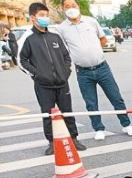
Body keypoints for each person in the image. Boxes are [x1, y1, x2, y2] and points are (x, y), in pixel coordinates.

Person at [58, 0, 132, 141]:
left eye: (73, 5)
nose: (71, 8)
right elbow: (64, 49)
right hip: (83, 72)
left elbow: (102, 39)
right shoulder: (62, 28)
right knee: (91, 102)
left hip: (102, 68)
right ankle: (99, 128)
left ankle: (126, 124)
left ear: (78, 6)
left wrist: (94, 52)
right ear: (62, 9)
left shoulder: (91, 21)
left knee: (116, 97)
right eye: (67, 6)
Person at [20, 3, 86, 156]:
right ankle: (52, 143)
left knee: (67, 112)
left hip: (62, 83)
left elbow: (66, 56)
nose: (45, 18)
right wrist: (37, 74)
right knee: (48, 114)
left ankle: (74, 139)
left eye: (46, 15)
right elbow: (22, 61)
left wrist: (65, 72)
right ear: (33, 18)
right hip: (43, 85)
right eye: (41, 15)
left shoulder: (55, 36)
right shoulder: (28, 39)